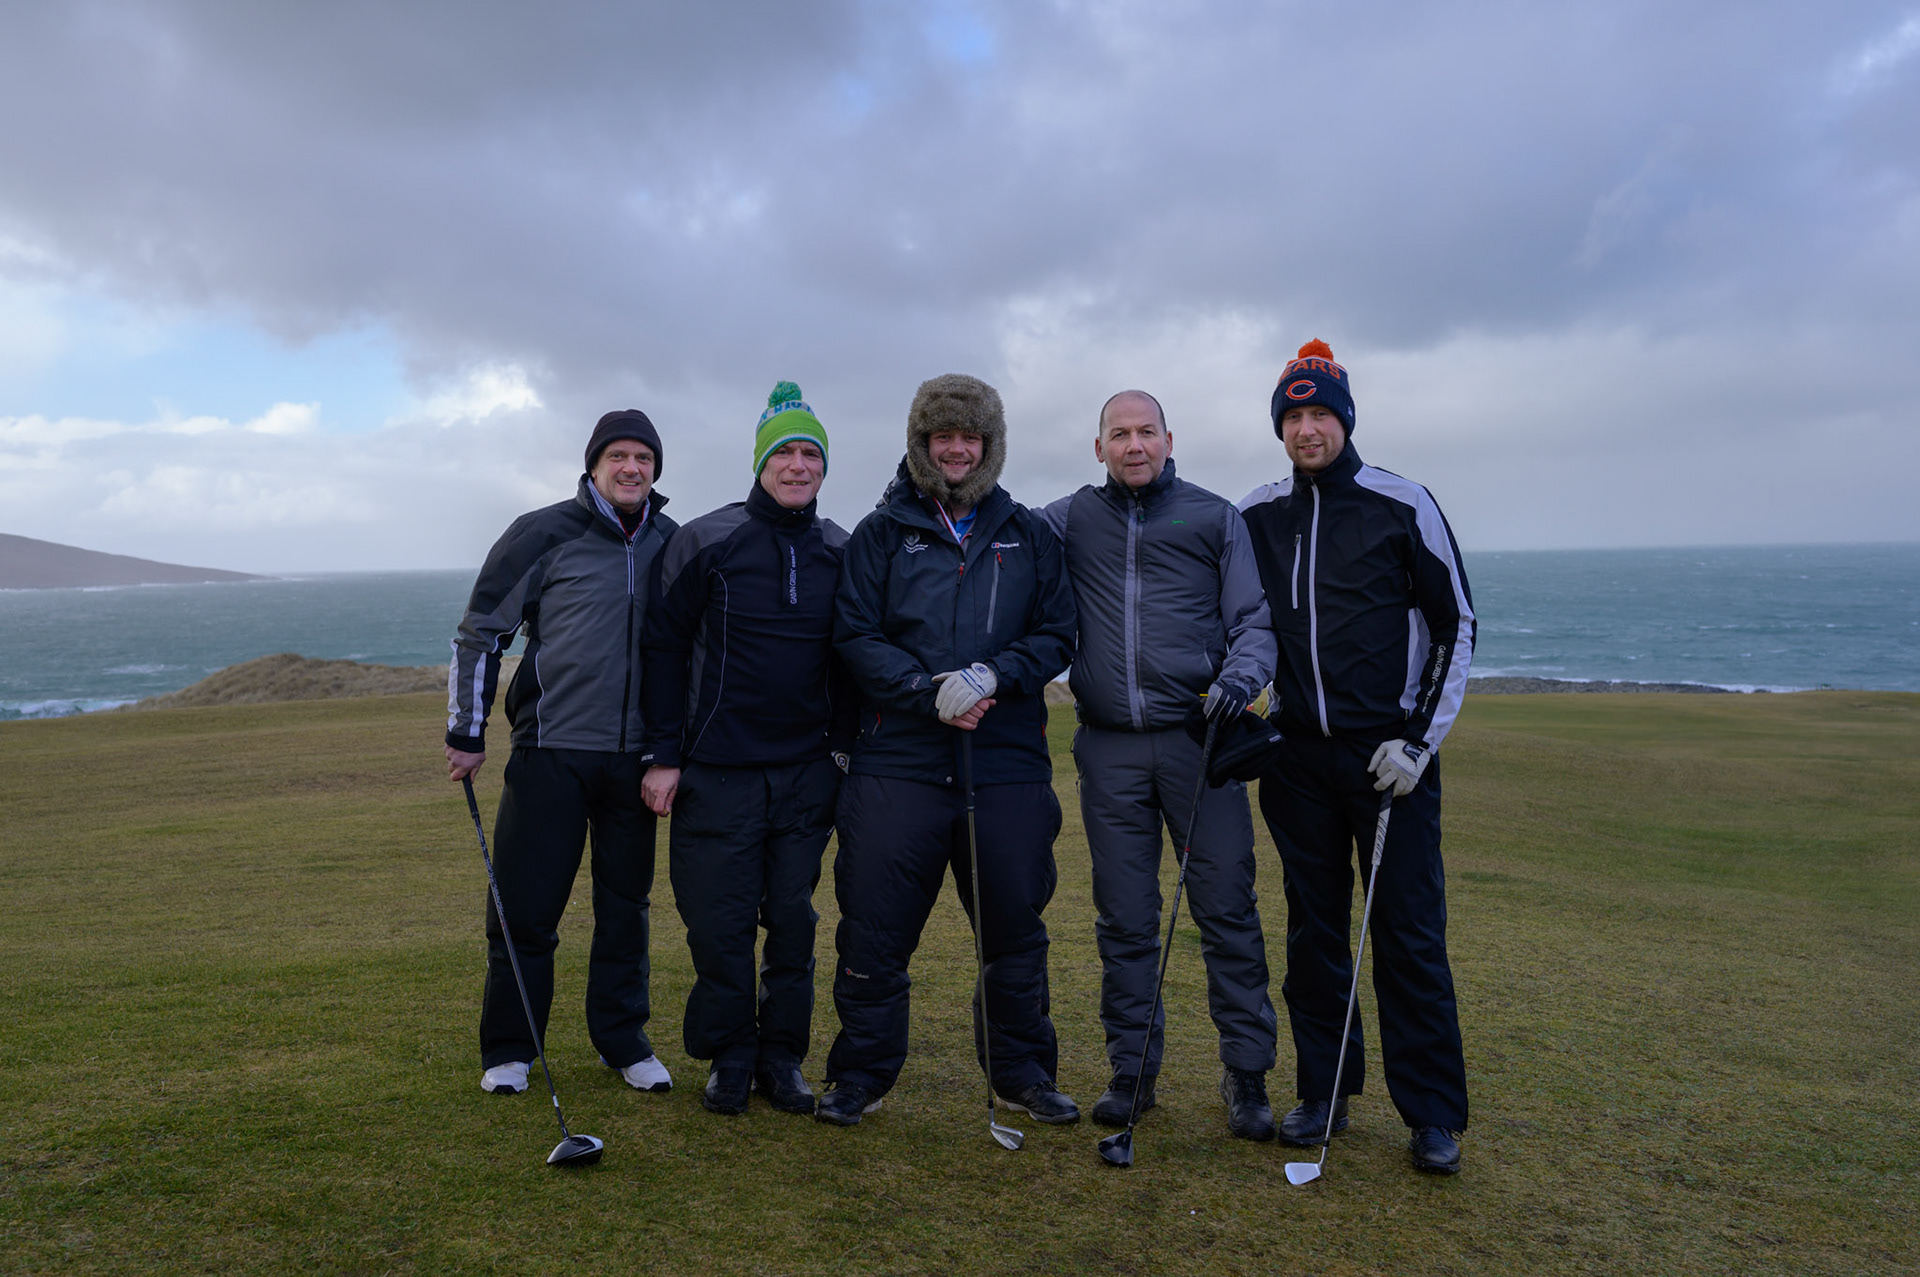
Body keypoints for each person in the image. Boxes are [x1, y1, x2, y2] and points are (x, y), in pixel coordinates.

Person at [1237, 340, 1475, 1174]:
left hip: (1390, 764)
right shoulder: (1258, 512)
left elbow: (1456, 626)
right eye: (1293, 416)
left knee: (1408, 935)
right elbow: (1235, 621)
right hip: (1298, 761)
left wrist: (1417, 740)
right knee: (1314, 934)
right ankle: (1324, 1091)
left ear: (1344, 419)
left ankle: (1435, 1113)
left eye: (1320, 414)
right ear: (1280, 426)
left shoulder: (1402, 501)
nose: (1307, 429)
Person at [817, 373, 1079, 1127]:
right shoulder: (880, 532)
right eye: (943, 436)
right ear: (922, 443)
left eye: (971, 437)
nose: (957, 448)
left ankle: (1022, 1073)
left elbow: (1057, 632)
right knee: (872, 929)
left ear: (990, 444)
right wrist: (924, 688)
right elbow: (855, 636)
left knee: (1015, 932)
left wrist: (994, 673)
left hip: (1006, 767)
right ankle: (860, 1073)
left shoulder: (1027, 533)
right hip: (896, 763)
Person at [1040, 389, 1281, 1140]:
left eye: (1147, 432)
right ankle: (1132, 1068)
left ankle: (1246, 1072)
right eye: (1120, 433)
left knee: (1225, 908)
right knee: (1125, 916)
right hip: (1107, 745)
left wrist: (1242, 680)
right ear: (1099, 445)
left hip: (1197, 743)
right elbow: (987, 534)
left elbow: (1254, 620)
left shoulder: (1214, 517)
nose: (1134, 444)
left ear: (1169, 439)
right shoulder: (1067, 518)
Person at [445, 409, 678, 1098]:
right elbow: (482, 632)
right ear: (595, 464)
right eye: (618, 456)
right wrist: (466, 732)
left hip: (635, 759)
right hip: (550, 749)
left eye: (643, 457)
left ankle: (623, 1040)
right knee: (525, 908)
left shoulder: (673, 540)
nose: (631, 467)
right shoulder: (543, 532)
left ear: (655, 468)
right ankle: (512, 1049)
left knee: (625, 907)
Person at [638, 382, 853, 1118]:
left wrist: (845, 753)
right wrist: (662, 756)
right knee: (719, 923)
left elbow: (853, 659)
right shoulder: (708, 538)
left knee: (792, 923)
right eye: (785, 452)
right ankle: (730, 1053)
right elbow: (663, 650)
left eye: (810, 454)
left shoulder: (839, 549)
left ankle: (781, 1055)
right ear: (761, 461)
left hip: (804, 773)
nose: (798, 466)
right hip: (715, 771)